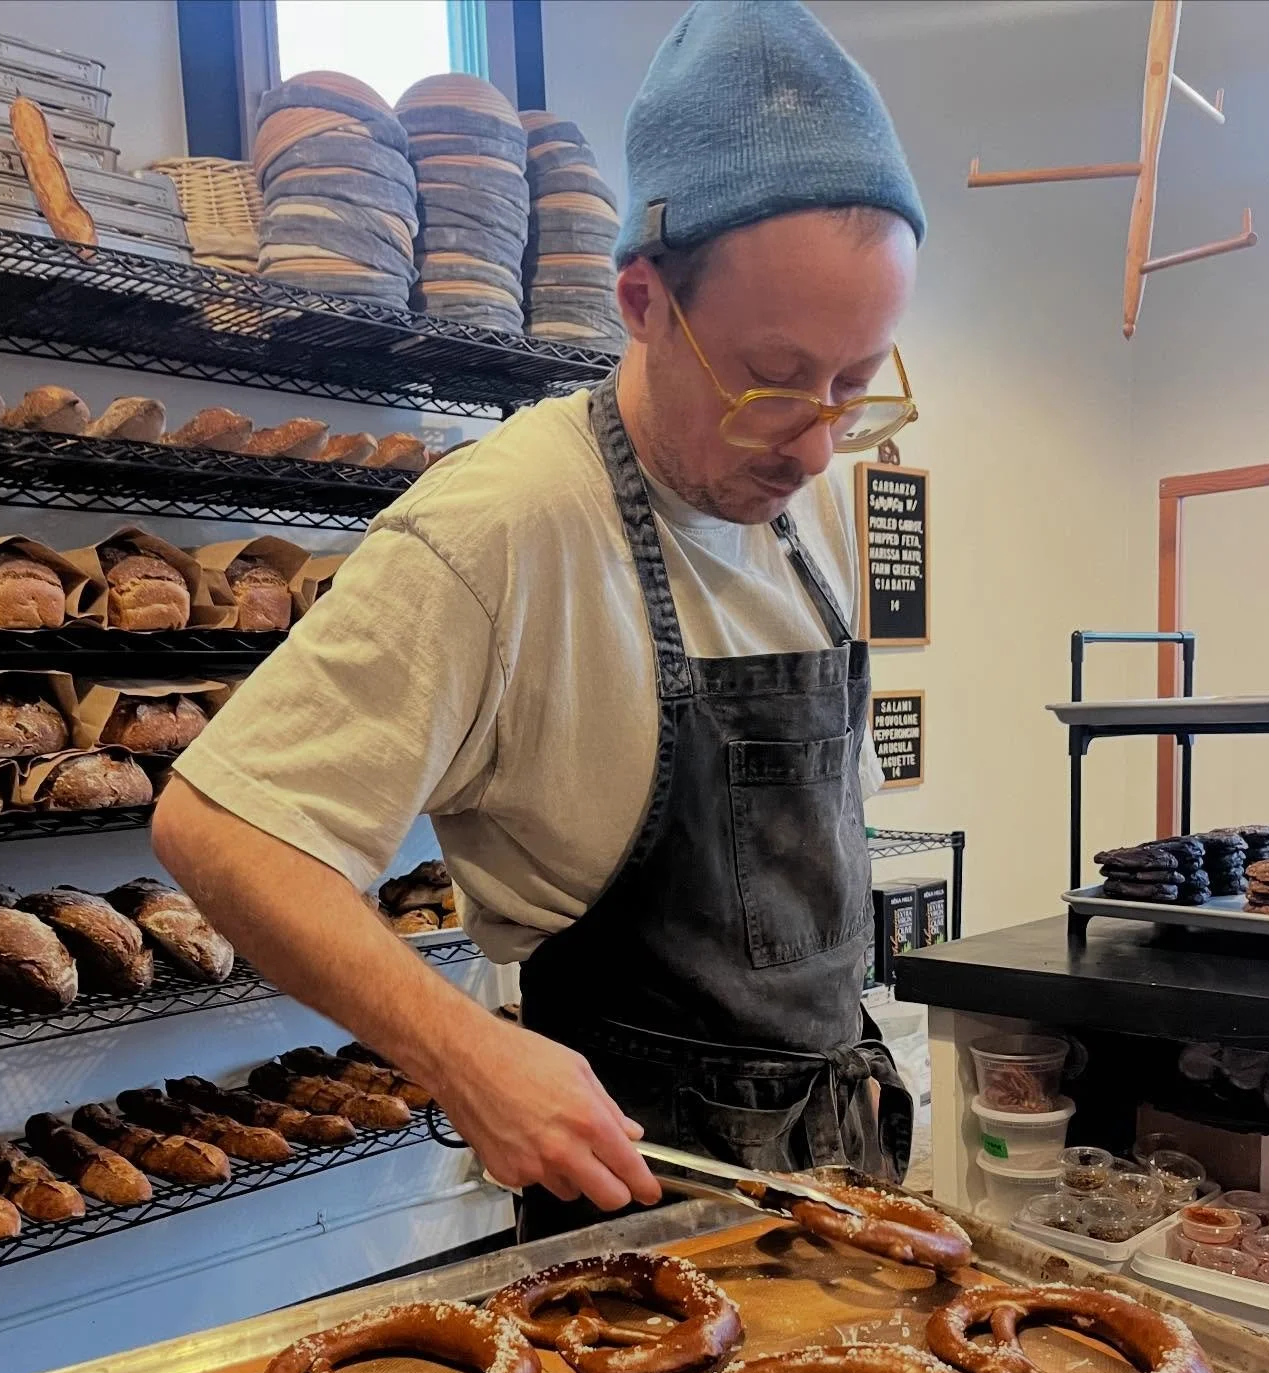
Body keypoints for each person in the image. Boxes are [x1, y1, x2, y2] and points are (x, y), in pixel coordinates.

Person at [154, 0, 926, 1238]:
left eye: (855, 383)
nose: (819, 442)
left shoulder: (808, 507)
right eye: (774, 381)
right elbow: (219, 827)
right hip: (636, 1202)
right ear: (639, 301)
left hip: (839, 1162)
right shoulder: (503, 527)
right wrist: (463, 1051)